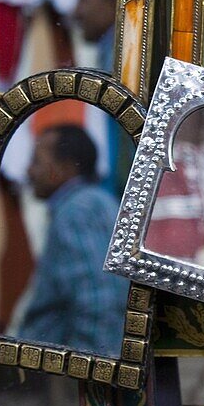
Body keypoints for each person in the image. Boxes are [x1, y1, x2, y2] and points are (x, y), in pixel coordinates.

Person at [15, 124, 129, 357]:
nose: (29, 171)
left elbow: (97, 301)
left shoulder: (78, 211)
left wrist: (88, 373)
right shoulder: (95, 202)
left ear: (64, 168)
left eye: (37, 161)